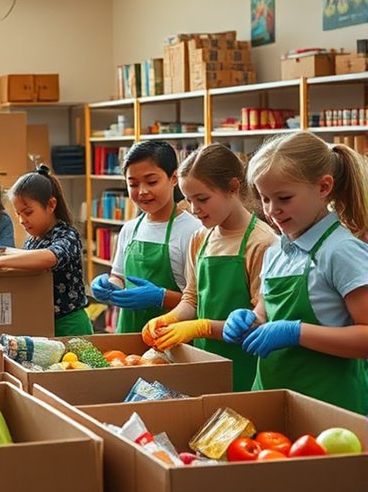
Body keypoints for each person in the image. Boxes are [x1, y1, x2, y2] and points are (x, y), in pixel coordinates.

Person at [223, 132, 368, 414]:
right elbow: (264, 313)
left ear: (324, 187)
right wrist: (248, 320)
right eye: (264, 199)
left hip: (331, 407)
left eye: (284, 198)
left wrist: (296, 332)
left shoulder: (340, 251)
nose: (272, 211)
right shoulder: (276, 250)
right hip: (274, 398)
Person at [140, 144, 278, 391]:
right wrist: (170, 318)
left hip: (244, 363)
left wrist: (201, 327)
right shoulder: (200, 238)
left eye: (202, 199)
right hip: (204, 360)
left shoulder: (262, 243)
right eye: (188, 200)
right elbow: (191, 298)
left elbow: (259, 322)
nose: (194, 210)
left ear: (233, 188)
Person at [0, 166, 93, 336]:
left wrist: (1, 260)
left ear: (51, 205)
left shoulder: (67, 235)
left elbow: (50, 257)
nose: (21, 220)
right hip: (41, 323)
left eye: (28, 212)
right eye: (18, 214)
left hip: (69, 324)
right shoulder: (31, 241)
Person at [90, 141, 202, 333]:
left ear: (174, 178)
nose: (142, 191)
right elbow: (119, 276)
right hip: (128, 335)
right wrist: (109, 286)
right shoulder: (130, 229)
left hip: (172, 338)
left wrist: (160, 297)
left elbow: (199, 301)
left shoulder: (193, 231)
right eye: (133, 184)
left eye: (151, 182)